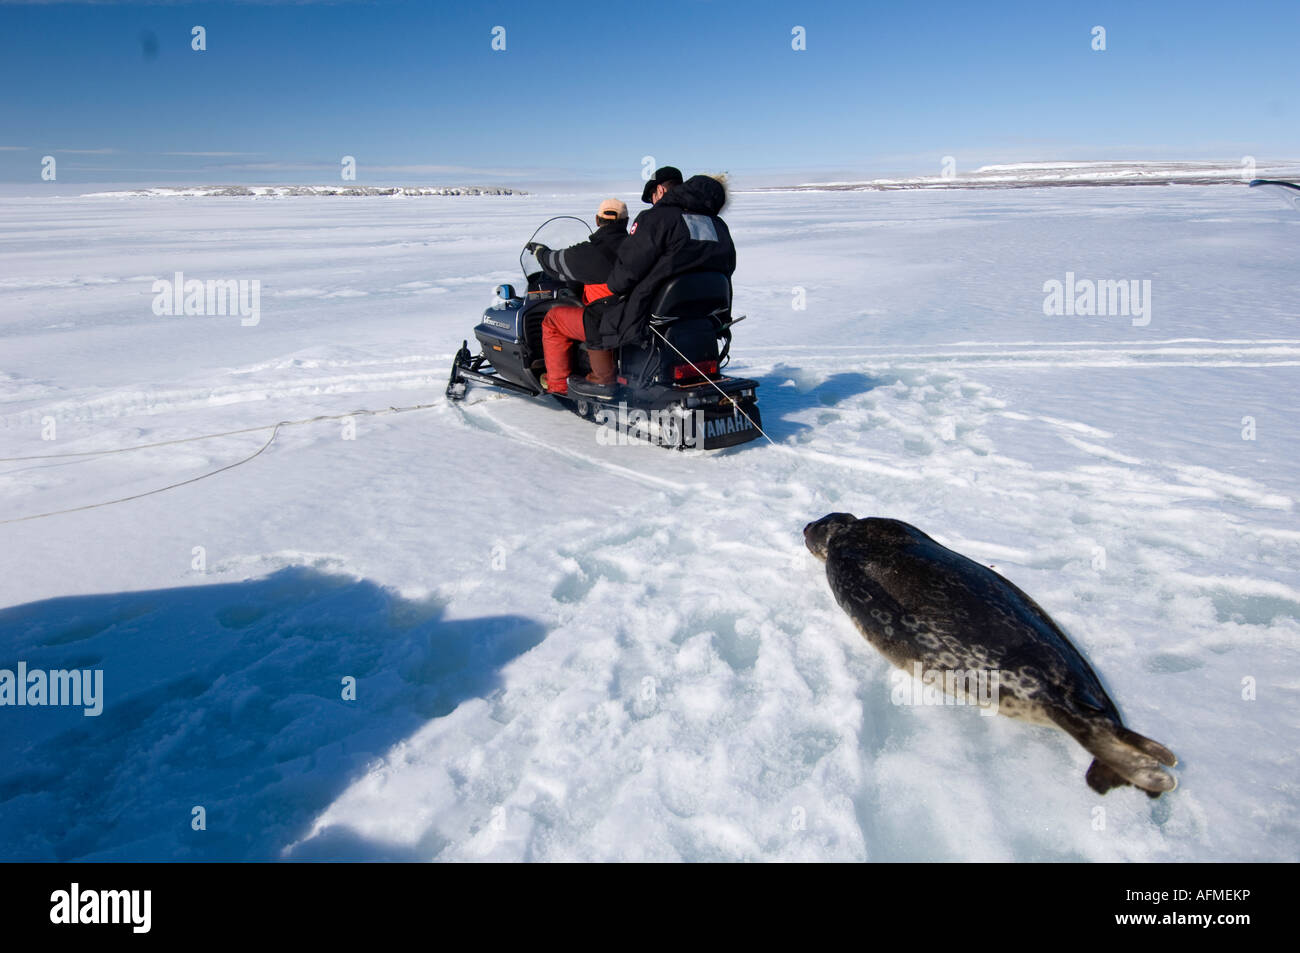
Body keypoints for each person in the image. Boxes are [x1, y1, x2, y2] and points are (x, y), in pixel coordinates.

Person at [569, 171, 735, 399]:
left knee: (596, 313)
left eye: (653, 196)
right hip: (706, 312)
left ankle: (602, 381)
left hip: (655, 309)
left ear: (660, 190)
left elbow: (627, 270)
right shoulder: (717, 225)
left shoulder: (657, 218)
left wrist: (616, 286)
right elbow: (728, 266)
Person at [525, 198, 629, 395]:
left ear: (597, 220)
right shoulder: (639, 248)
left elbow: (555, 263)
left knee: (553, 319)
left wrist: (540, 253)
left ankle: (558, 385)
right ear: (626, 222)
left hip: (605, 320)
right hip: (633, 315)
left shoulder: (587, 253)